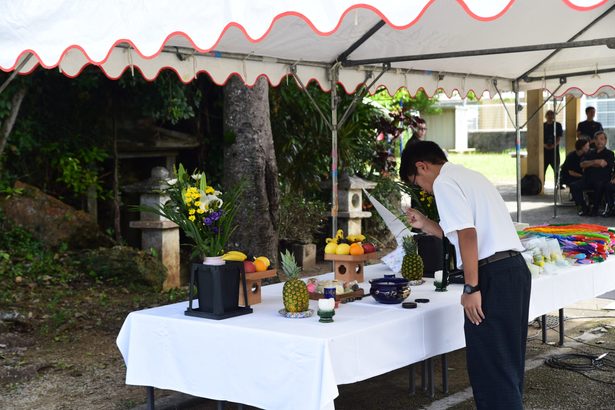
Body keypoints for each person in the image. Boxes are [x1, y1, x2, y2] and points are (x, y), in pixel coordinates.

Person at [400, 141, 531, 410]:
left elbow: (468, 234)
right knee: (507, 363)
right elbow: (461, 234)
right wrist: (425, 223)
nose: (422, 189)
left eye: (416, 182)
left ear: (421, 166)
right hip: (513, 269)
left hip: (491, 274)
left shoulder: (444, 184)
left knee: (492, 368)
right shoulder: (470, 175)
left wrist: (471, 288)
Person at [570, 131, 614, 216]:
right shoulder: (590, 152)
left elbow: (603, 164)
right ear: (594, 141)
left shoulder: (609, 154)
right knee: (573, 186)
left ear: (605, 141)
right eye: (597, 139)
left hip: (602, 180)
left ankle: (595, 208)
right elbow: (582, 164)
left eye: (601, 139)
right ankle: (584, 207)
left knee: (599, 184)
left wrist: (589, 164)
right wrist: (595, 161)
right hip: (587, 179)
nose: (599, 141)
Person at [543, 110, 563, 183]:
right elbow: (539, 137)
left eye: (552, 115)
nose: (550, 117)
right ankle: (541, 183)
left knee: (556, 168)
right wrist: (544, 145)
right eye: (548, 115)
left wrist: (554, 145)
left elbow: (559, 137)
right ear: (546, 116)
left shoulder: (558, 125)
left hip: (554, 150)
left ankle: (557, 184)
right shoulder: (543, 126)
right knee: (543, 168)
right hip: (544, 150)